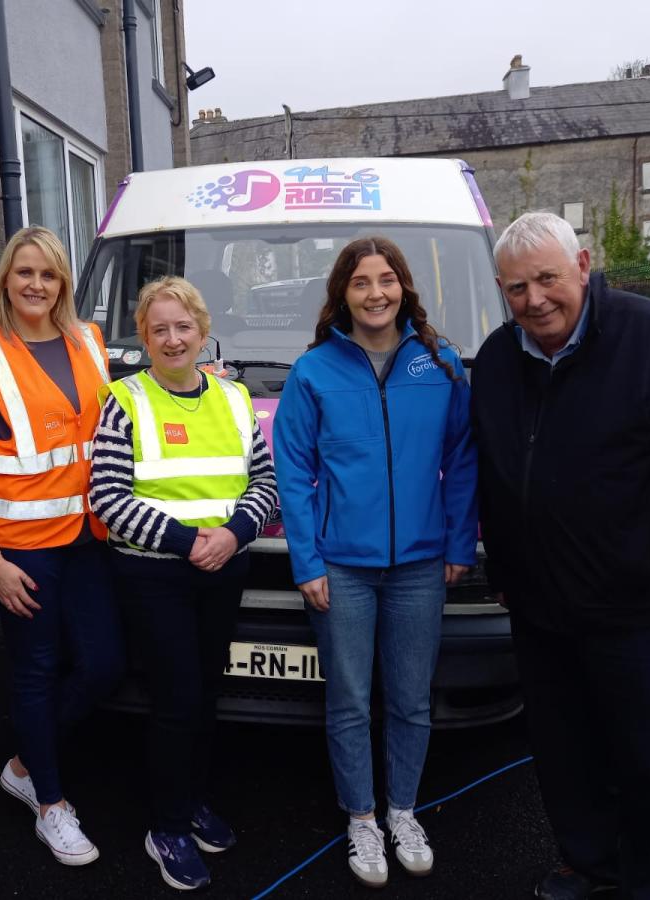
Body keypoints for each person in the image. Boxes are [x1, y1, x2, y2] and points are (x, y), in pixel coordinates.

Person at [471, 212, 650, 900]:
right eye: (516, 288)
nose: (535, 299)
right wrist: (505, 571)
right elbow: (498, 478)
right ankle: (590, 861)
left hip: (640, 609)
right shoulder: (498, 361)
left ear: (582, 265)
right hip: (540, 608)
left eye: (547, 279)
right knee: (565, 754)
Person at [272, 236, 477, 889]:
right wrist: (307, 561)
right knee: (351, 701)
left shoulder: (440, 365)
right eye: (361, 282)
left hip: (421, 565)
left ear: (403, 287)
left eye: (385, 279)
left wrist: (458, 543)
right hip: (342, 568)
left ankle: (403, 812)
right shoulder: (314, 371)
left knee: (412, 700)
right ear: (343, 293)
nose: (375, 293)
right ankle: (362, 818)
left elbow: (463, 460)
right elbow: (293, 471)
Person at [89, 276, 278, 891]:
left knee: (206, 695)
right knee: (175, 700)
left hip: (223, 568)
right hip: (155, 576)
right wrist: (187, 540)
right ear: (144, 339)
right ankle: (166, 827)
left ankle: (193, 801)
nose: (173, 339)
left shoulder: (235, 398)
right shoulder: (125, 400)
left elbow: (266, 483)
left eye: (183, 327)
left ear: (203, 331)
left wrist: (234, 533)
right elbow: (107, 495)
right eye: (159, 329)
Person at [0, 226, 122, 867]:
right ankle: (50, 803)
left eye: (48, 274)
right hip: (20, 550)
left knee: (104, 665)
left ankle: (23, 761)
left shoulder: (89, 341)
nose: (36, 285)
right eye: (25, 272)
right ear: (5, 280)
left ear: (64, 283)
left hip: (88, 538)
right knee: (36, 671)